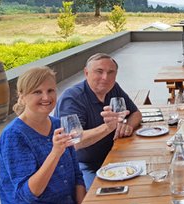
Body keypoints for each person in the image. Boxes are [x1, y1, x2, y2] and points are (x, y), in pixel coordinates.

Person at [0, 66, 85, 204]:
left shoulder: (58, 124)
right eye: (37, 92)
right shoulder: (14, 135)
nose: (46, 97)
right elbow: (29, 194)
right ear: (21, 96)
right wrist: (55, 153)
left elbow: (76, 175)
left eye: (50, 90)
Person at [55, 53, 142, 189]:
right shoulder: (72, 99)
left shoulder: (113, 89)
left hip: (114, 155)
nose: (105, 77)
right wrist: (108, 127)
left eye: (110, 72)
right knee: (99, 196)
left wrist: (128, 125)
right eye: (99, 71)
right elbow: (73, 141)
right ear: (86, 73)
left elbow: (136, 113)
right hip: (83, 164)